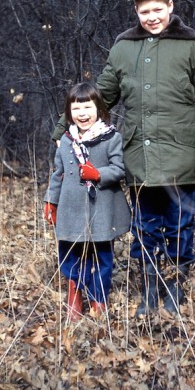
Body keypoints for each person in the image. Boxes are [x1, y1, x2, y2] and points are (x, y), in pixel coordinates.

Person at [52, 0, 195, 317]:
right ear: (136, 11)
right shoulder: (123, 48)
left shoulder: (194, 48)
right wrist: (63, 131)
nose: (153, 17)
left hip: (184, 160)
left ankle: (173, 289)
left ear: (171, 6)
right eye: (145, 11)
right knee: (145, 228)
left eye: (158, 9)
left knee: (180, 227)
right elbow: (101, 98)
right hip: (139, 159)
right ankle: (149, 290)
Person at [44, 82, 131, 322]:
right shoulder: (66, 141)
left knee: (102, 256)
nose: (82, 114)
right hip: (71, 210)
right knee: (70, 254)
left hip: (101, 209)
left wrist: (99, 174)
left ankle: (98, 298)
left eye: (87, 107)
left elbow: (119, 169)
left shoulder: (110, 137)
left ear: (99, 108)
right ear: (69, 112)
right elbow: (58, 174)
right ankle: (75, 295)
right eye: (76, 108)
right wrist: (51, 201)